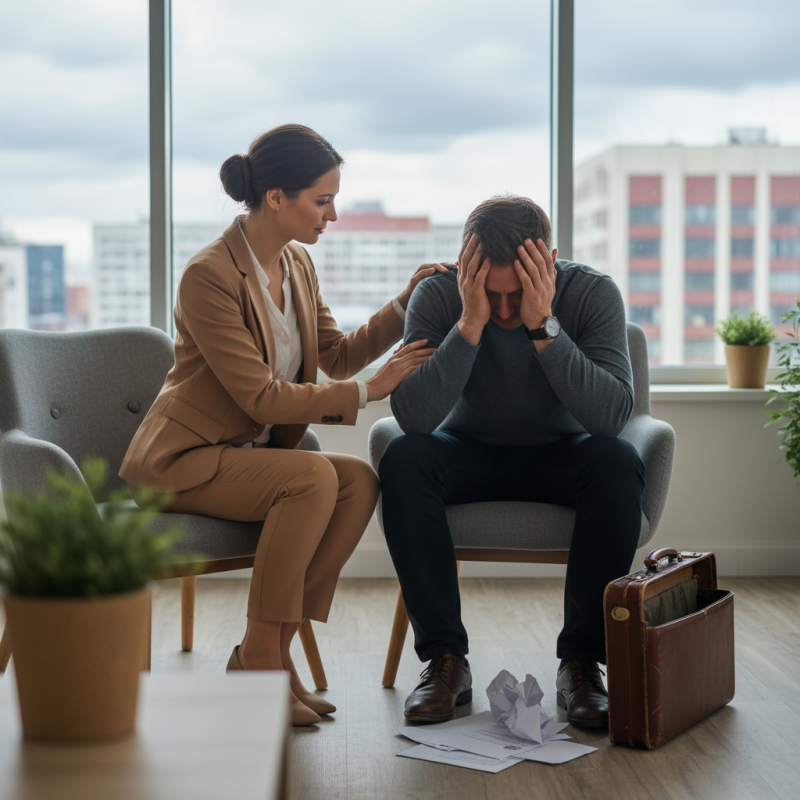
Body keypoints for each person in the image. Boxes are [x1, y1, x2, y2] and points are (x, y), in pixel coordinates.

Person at [120, 124, 443, 726]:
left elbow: (336, 356)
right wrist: (371, 391)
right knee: (312, 477)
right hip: (184, 461)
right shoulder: (208, 276)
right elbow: (261, 398)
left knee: (358, 482)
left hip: (247, 458)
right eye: (322, 200)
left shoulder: (296, 263)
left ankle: (268, 650)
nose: (333, 214)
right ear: (275, 197)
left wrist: (405, 304)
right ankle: (263, 660)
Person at [379, 195, 645, 728]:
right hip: (468, 453)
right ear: (466, 267)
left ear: (549, 263)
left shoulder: (593, 292)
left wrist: (543, 324)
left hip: (563, 455)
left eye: (516, 294)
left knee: (616, 459)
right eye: (490, 294)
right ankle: (446, 661)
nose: (503, 312)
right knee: (403, 456)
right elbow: (414, 417)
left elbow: (611, 417)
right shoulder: (438, 294)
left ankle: (581, 665)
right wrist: (468, 324)